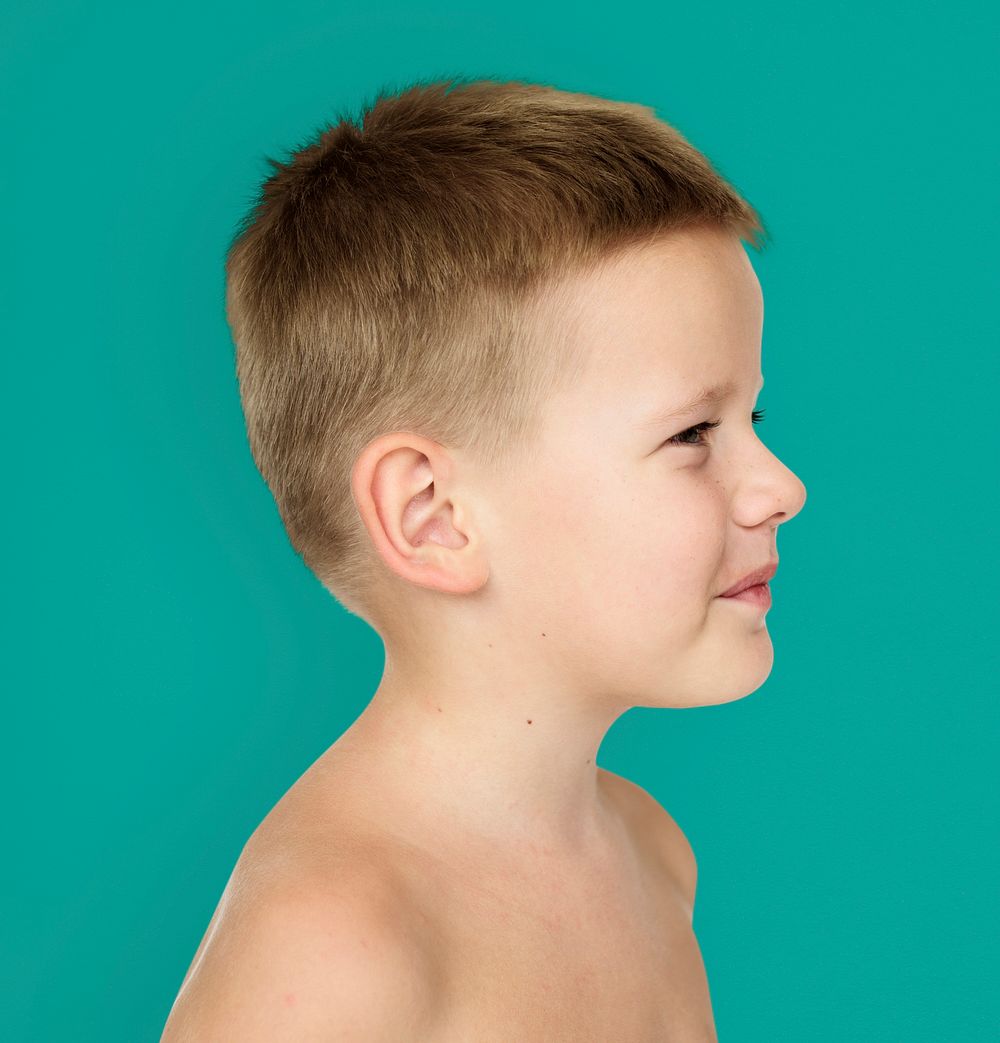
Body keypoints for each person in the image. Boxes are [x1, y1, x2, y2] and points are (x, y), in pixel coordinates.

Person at [161, 75, 807, 1041]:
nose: (781, 487)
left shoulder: (649, 852)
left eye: (750, 416)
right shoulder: (337, 949)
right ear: (433, 515)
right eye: (691, 434)